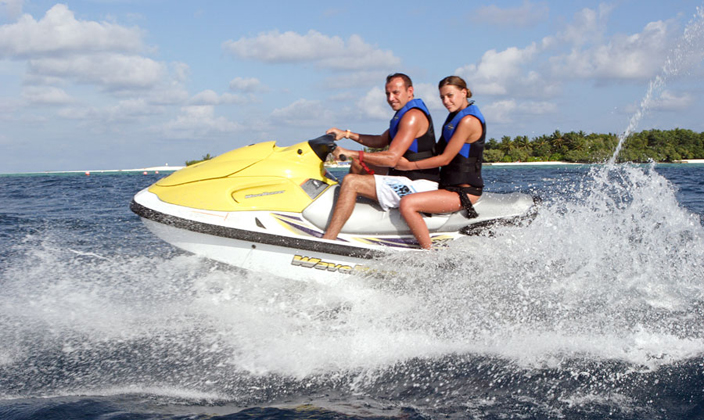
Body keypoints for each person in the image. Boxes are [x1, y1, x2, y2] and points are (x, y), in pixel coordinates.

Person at [322, 73, 439, 240]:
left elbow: (391, 158)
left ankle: (329, 239)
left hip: (418, 184)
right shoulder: (403, 115)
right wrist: (346, 134)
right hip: (404, 176)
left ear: (410, 91)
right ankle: (350, 212)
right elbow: (379, 141)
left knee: (351, 181)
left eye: (396, 93)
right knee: (358, 165)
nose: (391, 98)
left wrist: (350, 153)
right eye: (387, 94)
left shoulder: (412, 117)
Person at [395, 75, 486, 249]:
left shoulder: (468, 121)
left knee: (407, 203)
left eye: (450, 96)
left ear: (464, 92)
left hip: (464, 191)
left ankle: (429, 254)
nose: (445, 101)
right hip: (448, 186)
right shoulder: (454, 117)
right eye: (442, 97)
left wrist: (409, 166)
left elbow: (445, 159)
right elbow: (436, 150)